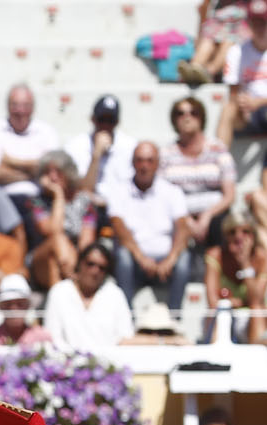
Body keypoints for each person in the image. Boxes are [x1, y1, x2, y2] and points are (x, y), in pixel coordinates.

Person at [106, 142, 192, 311]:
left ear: (157, 163)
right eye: (140, 160)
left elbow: (183, 228)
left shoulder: (172, 191)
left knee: (184, 259)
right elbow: (119, 227)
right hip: (135, 262)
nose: (144, 166)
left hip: (166, 264)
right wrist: (141, 258)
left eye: (149, 160)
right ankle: (126, 316)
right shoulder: (119, 191)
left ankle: (174, 317)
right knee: (123, 257)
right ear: (132, 163)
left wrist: (170, 259)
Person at [159, 96, 236, 249]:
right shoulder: (166, 154)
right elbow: (161, 194)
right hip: (179, 214)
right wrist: (186, 219)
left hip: (215, 213)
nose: (187, 118)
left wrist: (207, 216)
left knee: (222, 225)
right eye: (180, 113)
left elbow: (230, 195)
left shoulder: (217, 149)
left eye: (193, 113)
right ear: (174, 120)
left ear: (202, 118)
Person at [0, 84, 61, 206]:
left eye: (25, 105)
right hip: (2, 200)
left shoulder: (47, 132)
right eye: (15, 105)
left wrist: (11, 162)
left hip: (38, 199)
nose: (20, 110)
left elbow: (51, 173)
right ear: (7, 106)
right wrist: (34, 171)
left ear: (33, 107)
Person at [43, 243, 136, 352]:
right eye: (90, 264)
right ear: (79, 263)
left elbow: (125, 337)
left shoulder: (115, 294)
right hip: (66, 360)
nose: (95, 271)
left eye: (102, 268)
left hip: (109, 360)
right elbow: (53, 338)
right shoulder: (59, 292)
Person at [26, 150, 98, 291]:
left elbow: (86, 244)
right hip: (40, 260)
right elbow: (51, 231)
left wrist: (69, 261)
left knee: (54, 261)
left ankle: (60, 294)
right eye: (47, 172)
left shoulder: (84, 202)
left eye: (58, 172)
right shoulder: (37, 202)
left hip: (71, 260)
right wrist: (58, 195)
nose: (53, 177)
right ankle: (74, 282)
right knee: (57, 239)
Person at [202, 212, 267, 344]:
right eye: (232, 232)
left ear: (253, 235)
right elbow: (213, 302)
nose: (238, 237)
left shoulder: (262, 258)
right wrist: (236, 303)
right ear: (225, 236)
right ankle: (216, 354)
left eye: (245, 232)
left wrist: (245, 264)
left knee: (257, 309)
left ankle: (258, 352)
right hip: (223, 315)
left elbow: (256, 299)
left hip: (250, 319)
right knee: (219, 310)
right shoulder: (215, 255)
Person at [216, 0, 267, 146]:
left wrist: (259, 102)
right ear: (249, 24)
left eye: (263, 23)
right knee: (228, 108)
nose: (260, 28)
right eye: (256, 23)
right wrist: (243, 102)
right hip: (247, 112)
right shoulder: (236, 51)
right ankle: (220, 156)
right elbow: (233, 93)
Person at [65, 94, 136, 194]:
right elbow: (83, 190)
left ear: (117, 122)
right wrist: (96, 154)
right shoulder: (75, 146)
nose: (105, 125)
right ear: (93, 119)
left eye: (111, 121)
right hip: (89, 202)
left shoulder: (131, 146)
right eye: (101, 120)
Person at [0, 275, 51, 347]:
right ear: (0, 307)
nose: (14, 309)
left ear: (28, 305)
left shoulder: (42, 337)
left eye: (20, 304)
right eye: (8, 304)